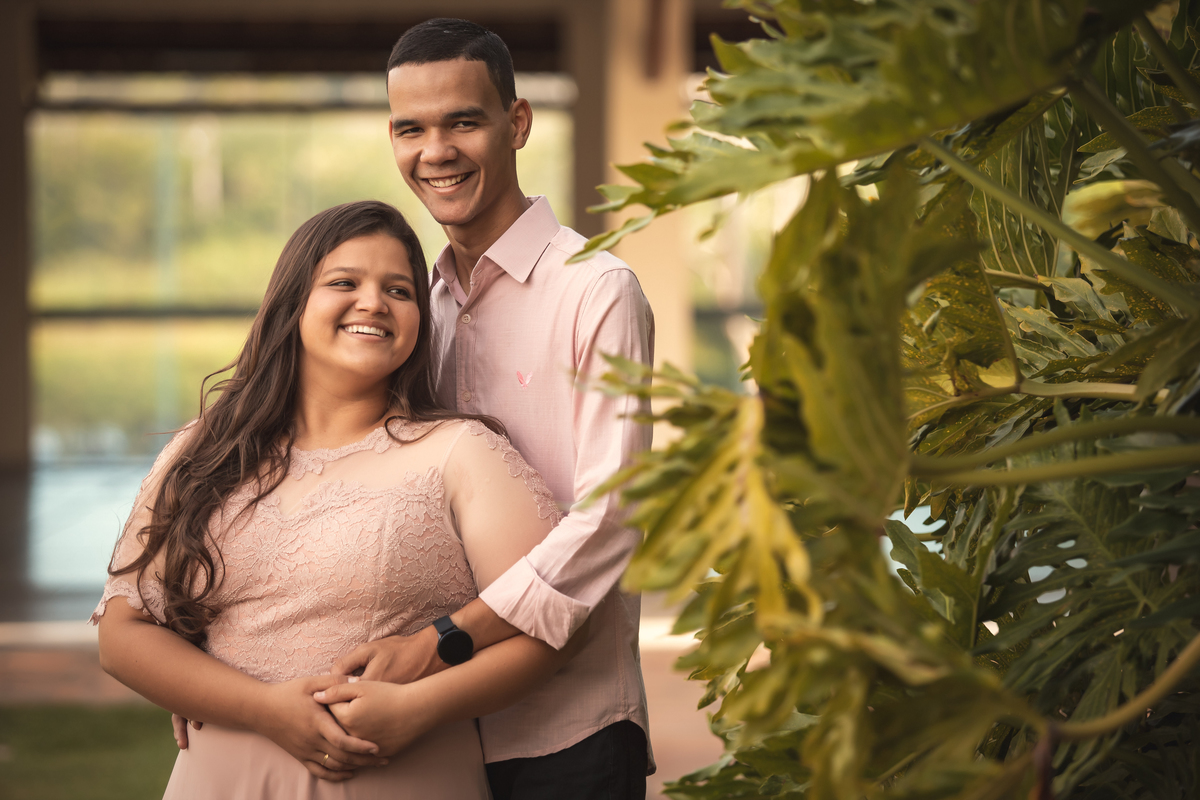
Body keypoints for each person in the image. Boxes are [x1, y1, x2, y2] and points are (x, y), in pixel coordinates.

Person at [94, 200, 581, 799]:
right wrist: (262, 708)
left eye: (399, 291)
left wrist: (420, 707)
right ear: (293, 301)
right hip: (221, 779)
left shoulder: (461, 453)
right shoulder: (203, 452)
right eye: (344, 282)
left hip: (401, 776)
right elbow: (123, 633)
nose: (373, 302)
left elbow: (552, 628)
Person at [314, 18, 657, 800]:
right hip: (431, 731)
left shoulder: (596, 292)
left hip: (568, 730)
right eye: (412, 129)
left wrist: (444, 643)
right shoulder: (409, 305)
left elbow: (613, 517)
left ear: (518, 123)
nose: (435, 151)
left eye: (463, 121)